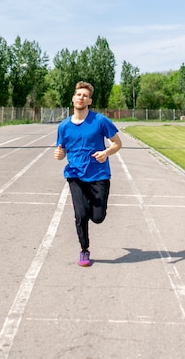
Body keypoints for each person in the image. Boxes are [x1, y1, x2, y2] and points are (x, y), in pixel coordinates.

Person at [54, 81, 122, 267]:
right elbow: (62, 151)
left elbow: (117, 143)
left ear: (89, 100)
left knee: (98, 217)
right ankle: (84, 249)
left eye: (85, 95)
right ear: (73, 98)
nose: (81, 98)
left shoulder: (100, 121)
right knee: (81, 214)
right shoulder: (64, 126)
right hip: (75, 174)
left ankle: (93, 204)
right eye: (78, 95)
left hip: (99, 175)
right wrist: (60, 155)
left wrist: (106, 153)